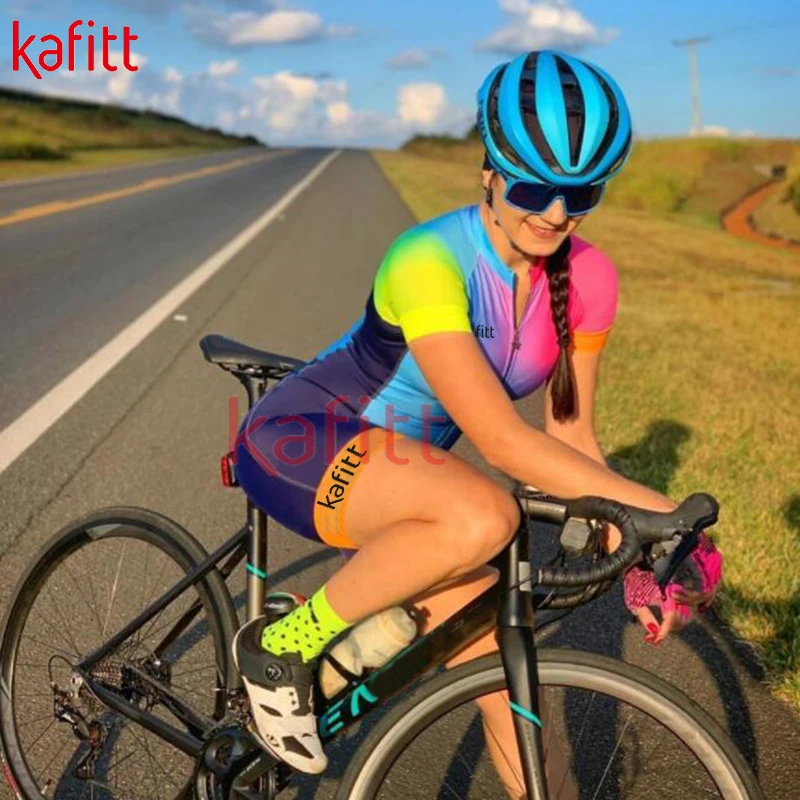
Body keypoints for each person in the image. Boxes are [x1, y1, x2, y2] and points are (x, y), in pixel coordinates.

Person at [231, 49, 723, 797]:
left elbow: (570, 437)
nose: (555, 213)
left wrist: (640, 545)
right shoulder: (428, 259)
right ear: (489, 171)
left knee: (517, 703)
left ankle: (349, 654)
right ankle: (282, 647)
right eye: (532, 187)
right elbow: (501, 442)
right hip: (305, 439)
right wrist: (662, 513)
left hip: (414, 482)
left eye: (580, 192)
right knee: (485, 515)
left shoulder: (589, 276)